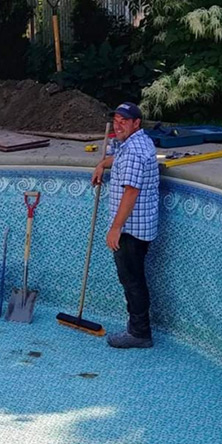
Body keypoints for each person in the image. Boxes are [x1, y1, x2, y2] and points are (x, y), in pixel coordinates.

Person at [90, 102, 160, 349]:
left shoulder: (132, 152)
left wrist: (115, 228)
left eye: (124, 120)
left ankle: (139, 333)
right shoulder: (136, 143)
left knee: (132, 280)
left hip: (130, 229)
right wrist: (102, 164)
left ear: (136, 123)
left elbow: (131, 191)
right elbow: (118, 156)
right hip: (140, 226)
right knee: (133, 278)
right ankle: (137, 328)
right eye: (116, 119)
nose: (118, 124)